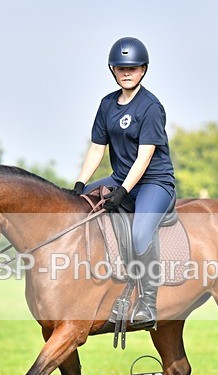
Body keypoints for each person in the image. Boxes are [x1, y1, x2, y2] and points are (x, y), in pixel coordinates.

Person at [73, 36, 176, 330]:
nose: (127, 73)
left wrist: (123, 191)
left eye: (132, 68)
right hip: (120, 178)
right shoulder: (107, 104)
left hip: (154, 182)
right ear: (113, 70)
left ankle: (147, 303)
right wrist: (80, 184)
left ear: (143, 70)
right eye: (121, 68)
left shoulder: (151, 107)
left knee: (140, 233)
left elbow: (145, 157)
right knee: (79, 208)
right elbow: (97, 148)